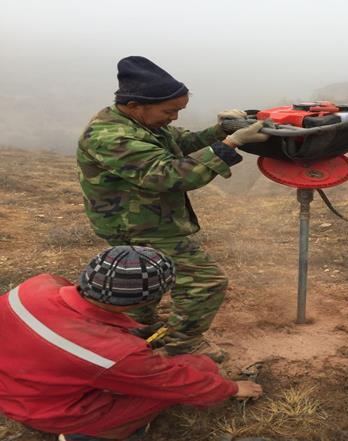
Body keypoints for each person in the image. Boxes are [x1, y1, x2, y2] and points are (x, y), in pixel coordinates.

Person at [77, 56, 269, 359]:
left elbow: (184, 143)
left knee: (139, 284)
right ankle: (183, 345)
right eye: (170, 111)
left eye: (179, 110)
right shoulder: (111, 136)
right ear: (135, 104)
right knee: (205, 282)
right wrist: (229, 144)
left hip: (146, 220)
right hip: (137, 225)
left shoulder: (140, 123)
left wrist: (220, 131)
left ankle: (137, 332)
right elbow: (168, 175)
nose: (175, 118)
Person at [0, 246, 263, 441]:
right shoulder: (116, 354)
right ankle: (88, 434)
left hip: (12, 387)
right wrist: (230, 388)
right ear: (143, 302)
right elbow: (179, 383)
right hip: (51, 411)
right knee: (200, 366)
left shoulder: (36, 286)